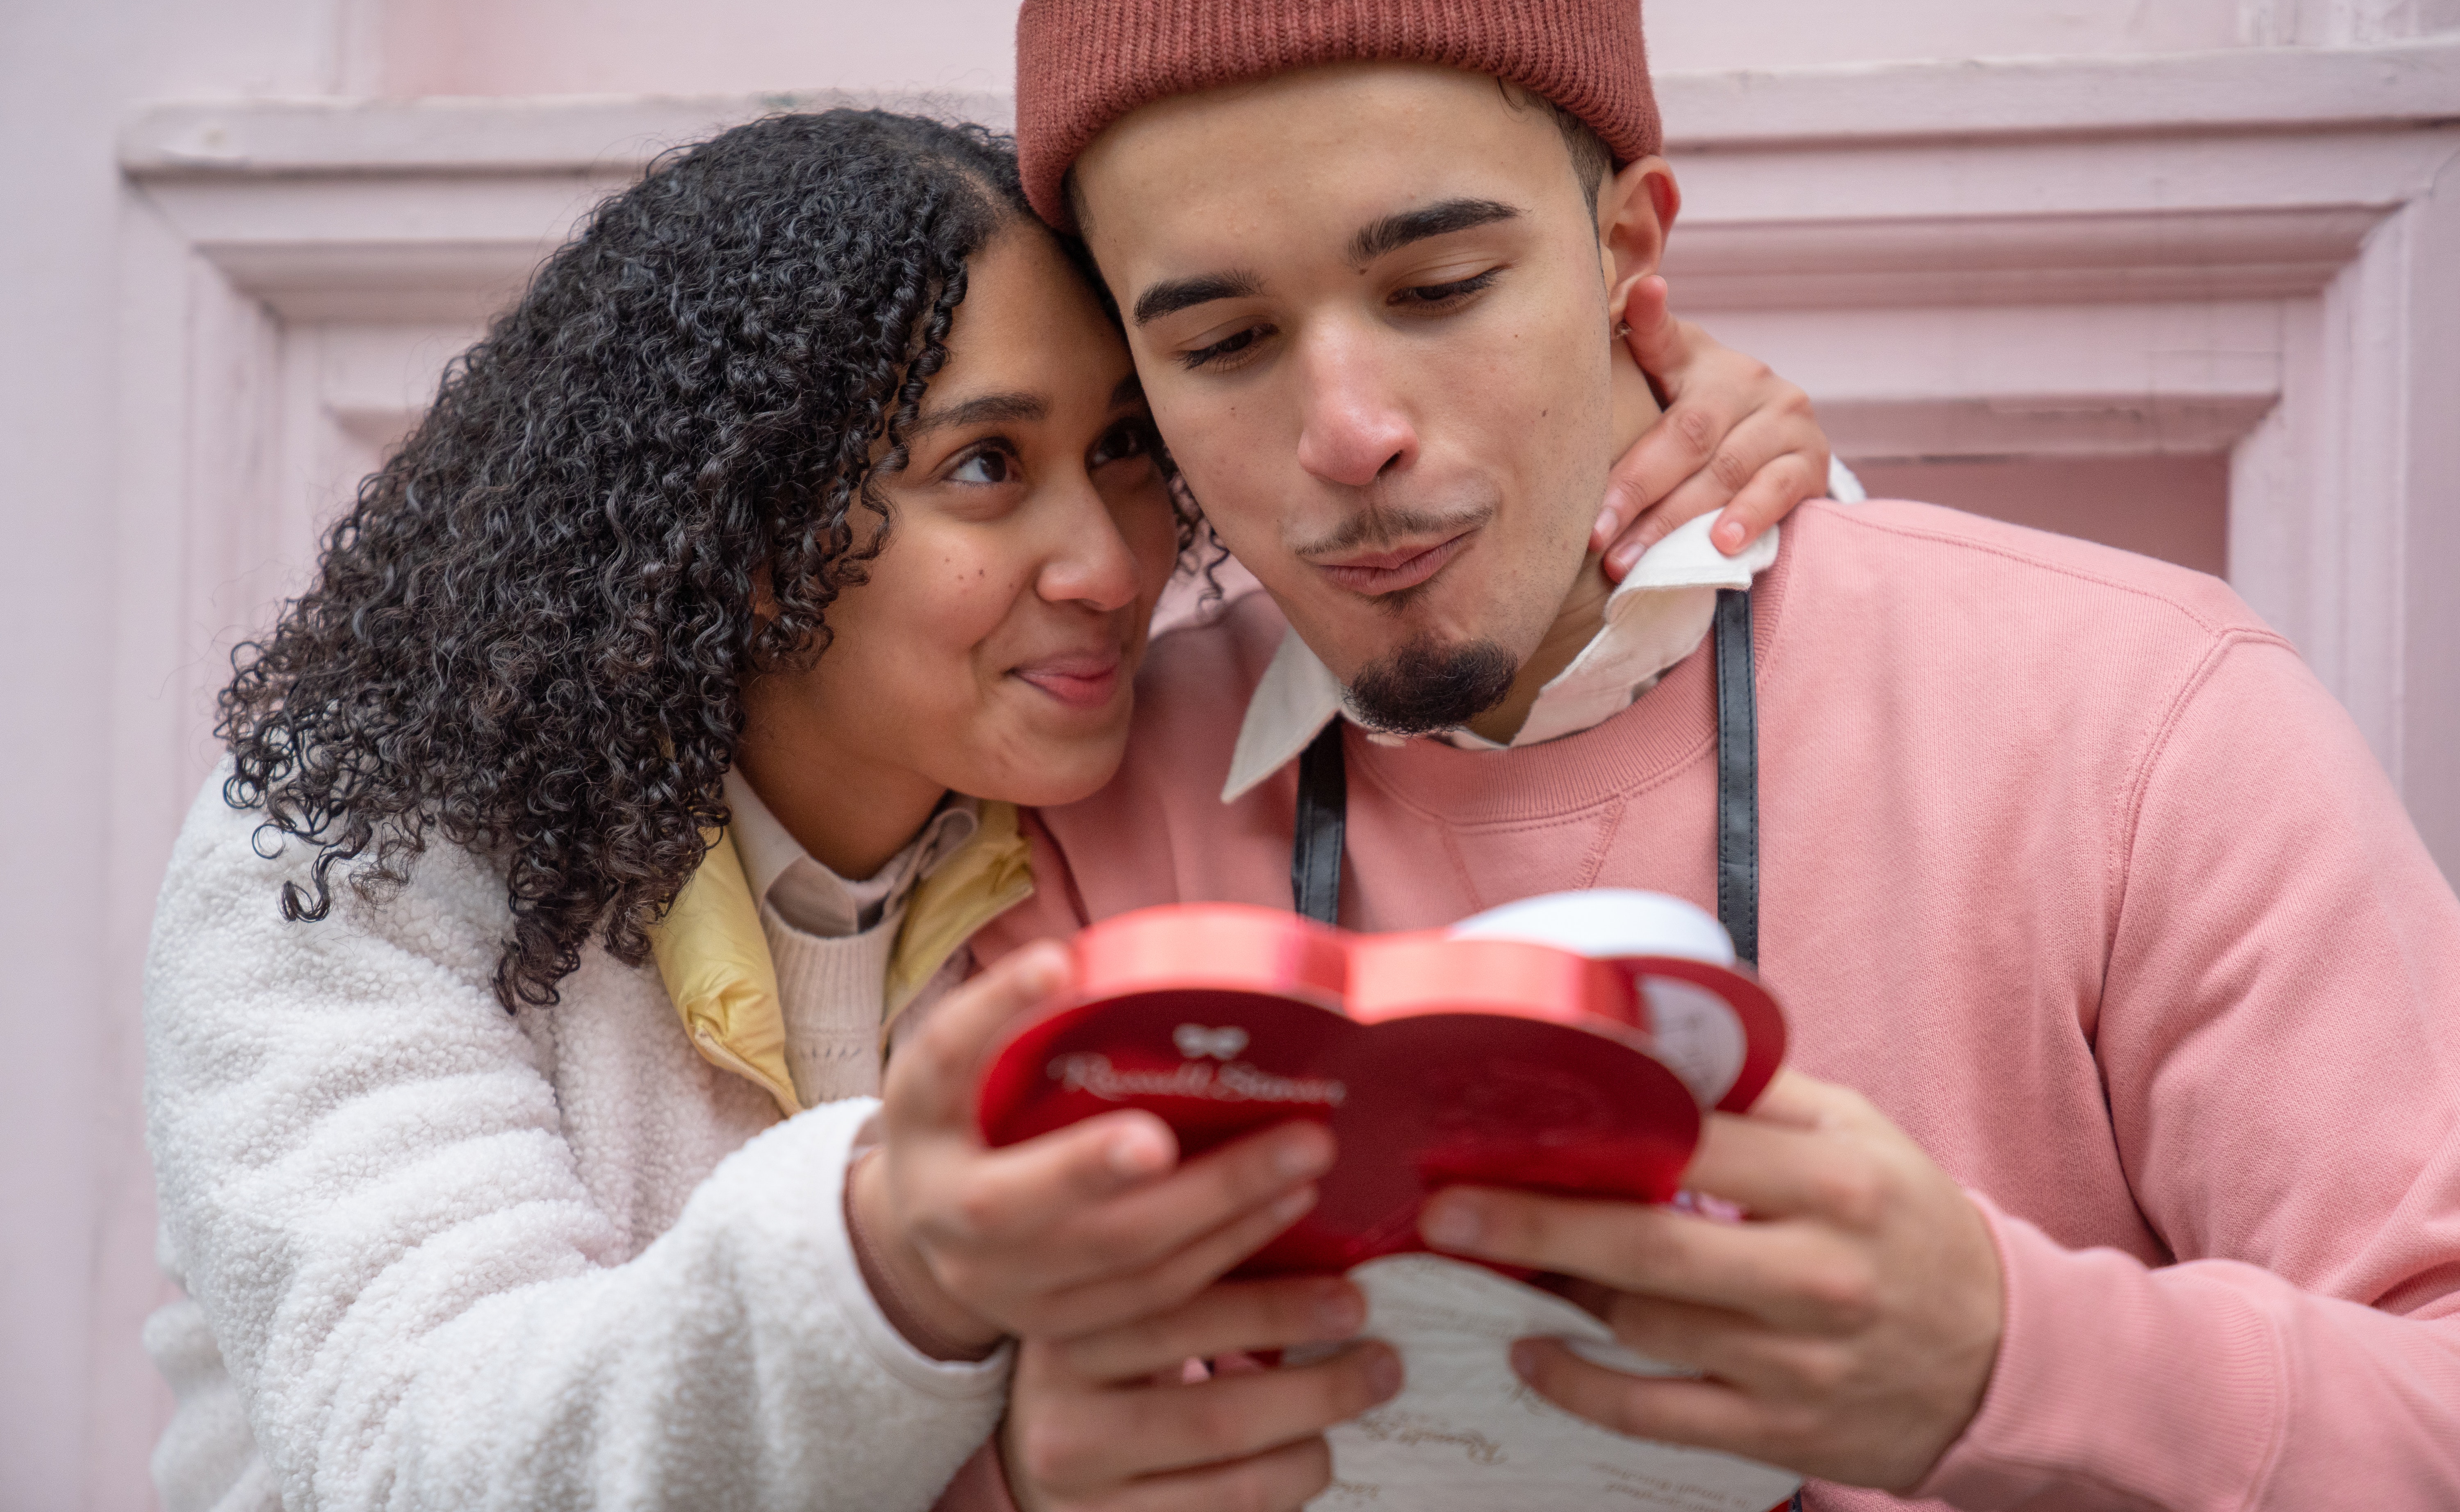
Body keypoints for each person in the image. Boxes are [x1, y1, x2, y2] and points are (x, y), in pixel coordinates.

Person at [886, 0, 2460, 1508]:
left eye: (1437, 290)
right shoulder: (1066, 825)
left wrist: (2006, 1362)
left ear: (1627, 247)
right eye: (1221, 341)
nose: (1349, 430)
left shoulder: (2139, 714)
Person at [141, 109, 1836, 1510]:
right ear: (735, 533)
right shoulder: (348, 860)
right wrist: (890, 1250)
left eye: (1120, 453)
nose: (1108, 564)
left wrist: (1687, 442)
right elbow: (426, 1451)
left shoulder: (1099, 794)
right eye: (982, 467)